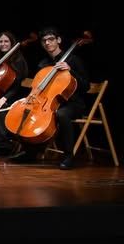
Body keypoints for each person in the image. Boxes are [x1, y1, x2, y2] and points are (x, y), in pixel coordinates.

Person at [9, 28, 89, 170]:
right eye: (44, 40)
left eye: (51, 39)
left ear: (58, 40)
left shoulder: (73, 60)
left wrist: (71, 70)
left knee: (61, 114)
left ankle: (68, 156)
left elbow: (86, 86)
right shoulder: (43, 63)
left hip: (72, 103)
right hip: (46, 102)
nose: (47, 43)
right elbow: (37, 87)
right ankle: (30, 153)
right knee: (26, 114)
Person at [0, 31, 30, 154]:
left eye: (6, 41)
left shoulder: (18, 60)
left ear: (12, 43)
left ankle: (4, 143)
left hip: (15, 96)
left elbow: (18, 86)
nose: (3, 44)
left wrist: (4, 98)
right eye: (0, 41)